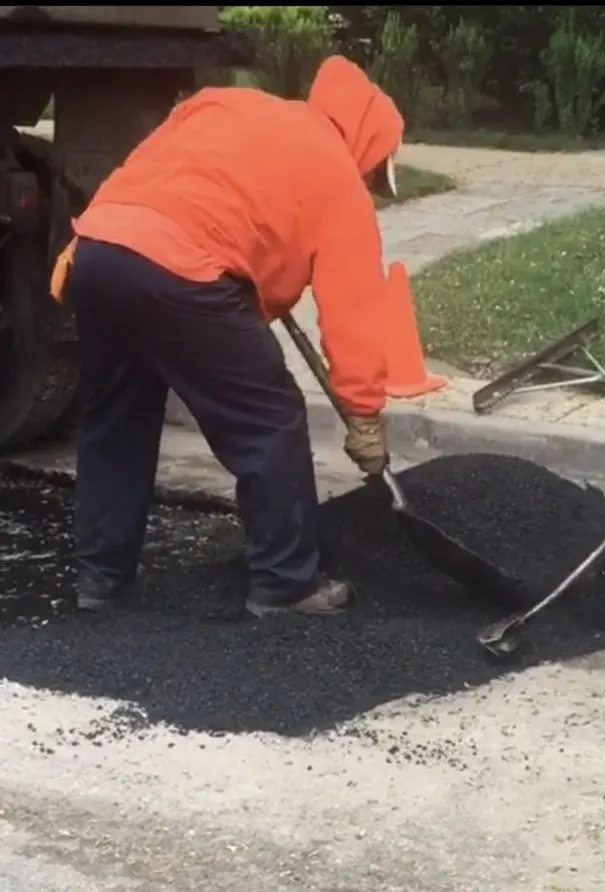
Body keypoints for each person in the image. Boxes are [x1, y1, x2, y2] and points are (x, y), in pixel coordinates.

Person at [49, 56, 404, 618]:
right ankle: (286, 585)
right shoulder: (337, 174)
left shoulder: (226, 104)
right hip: (180, 268)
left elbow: (146, 168)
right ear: (367, 145)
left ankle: (101, 582)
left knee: (114, 423)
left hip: (100, 252)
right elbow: (353, 313)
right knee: (270, 418)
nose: (368, 182)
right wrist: (364, 414)